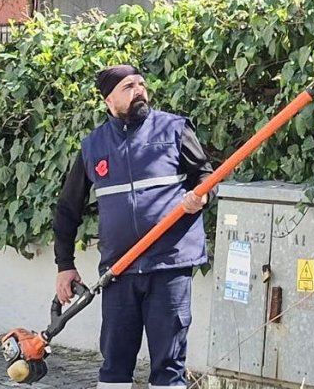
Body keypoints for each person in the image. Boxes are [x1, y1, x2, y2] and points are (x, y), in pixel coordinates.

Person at [53, 63, 217, 389]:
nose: (139, 90)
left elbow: (205, 178)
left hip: (169, 265)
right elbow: (67, 210)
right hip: (120, 270)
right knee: (114, 365)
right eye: (128, 87)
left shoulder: (174, 129)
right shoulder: (93, 147)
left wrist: (202, 197)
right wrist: (65, 265)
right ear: (108, 101)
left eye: (140, 83)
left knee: (168, 368)